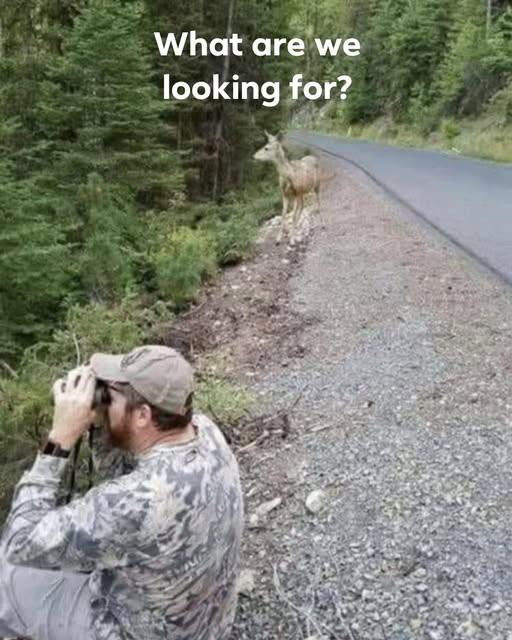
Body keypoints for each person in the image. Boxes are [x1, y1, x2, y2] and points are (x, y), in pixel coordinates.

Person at [0, 345, 244, 640]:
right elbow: (124, 477)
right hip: (206, 624)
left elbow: (20, 542)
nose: (103, 397)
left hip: (132, 631)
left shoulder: (133, 501)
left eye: (111, 394)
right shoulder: (207, 432)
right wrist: (106, 419)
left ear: (142, 415)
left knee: (4, 571)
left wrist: (60, 438)